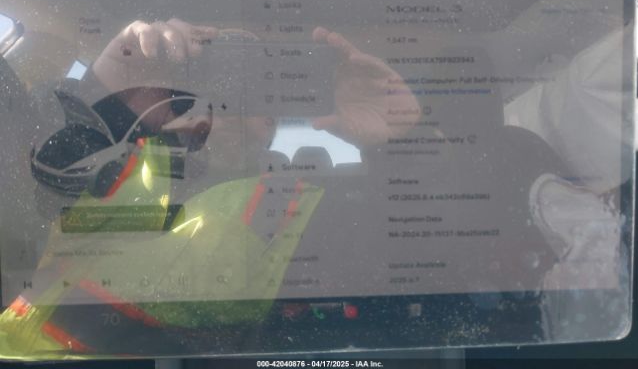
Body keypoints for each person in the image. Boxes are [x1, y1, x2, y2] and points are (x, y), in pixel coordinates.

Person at [0, 19, 422, 357]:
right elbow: (19, 198)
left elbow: (415, 257)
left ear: (272, 121)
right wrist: (105, 93)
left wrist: (405, 142)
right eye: (216, 86)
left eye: (255, 93)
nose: (231, 109)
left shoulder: (302, 204)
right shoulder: (112, 164)